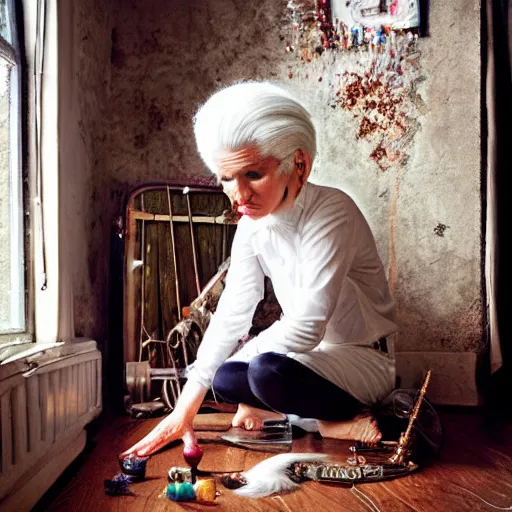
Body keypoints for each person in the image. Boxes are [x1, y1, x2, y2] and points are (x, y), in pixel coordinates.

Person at [122, 82, 397, 458]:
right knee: (223, 377)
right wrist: (182, 412)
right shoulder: (252, 225)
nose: (239, 195)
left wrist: (240, 357)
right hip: (308, 361)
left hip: (364, 358)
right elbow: (233, 312)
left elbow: (306, 326)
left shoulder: (333, 212)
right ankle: (314, 418)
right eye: (226, 178)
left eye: (253, 174)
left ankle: (331, 421)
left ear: (298, 164)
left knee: (264, 372)